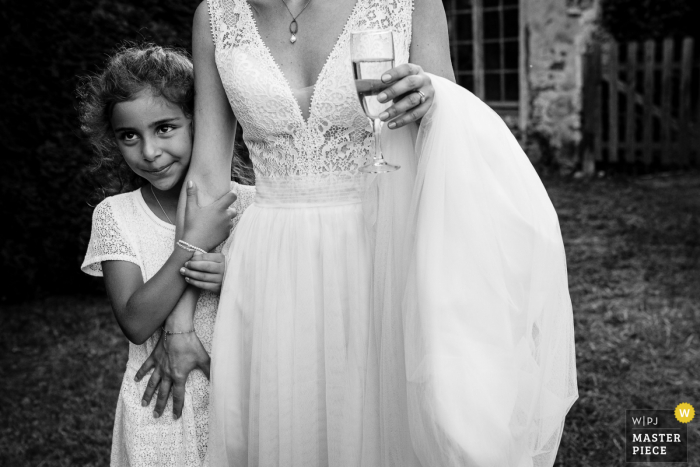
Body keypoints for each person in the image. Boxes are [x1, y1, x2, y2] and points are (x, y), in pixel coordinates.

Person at [155, 0, 578, 464]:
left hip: (379, 249)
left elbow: (450, 149)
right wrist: (179, 321)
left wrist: (433, 98)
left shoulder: (410, 4)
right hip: (268, 269)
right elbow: (206, 179)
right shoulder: (215, 15)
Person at [77, 44, 256, 466]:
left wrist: (232, 276)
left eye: (165, 128)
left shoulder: (250, 204)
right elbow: (136, 322)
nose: (150, 152)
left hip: (238, 394)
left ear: (199, 122)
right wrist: (191, 245)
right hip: (158, 406)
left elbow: (282, 303)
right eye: (129, 136)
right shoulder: (116, 215)